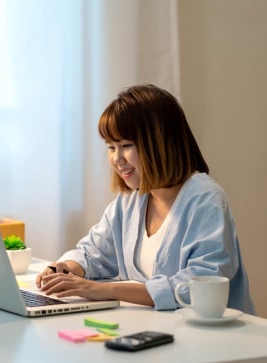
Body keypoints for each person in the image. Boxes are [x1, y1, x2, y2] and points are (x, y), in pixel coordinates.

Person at [36, 84, 255, 314]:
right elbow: (92, 254)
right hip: (158, 331)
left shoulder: (205, 200)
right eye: (111, 147)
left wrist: (106, 290)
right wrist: (63, 270)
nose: (117, 159)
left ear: (159, 144)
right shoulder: (128, 202)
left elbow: (199, 285)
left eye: (126, 146)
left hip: (211, 339)